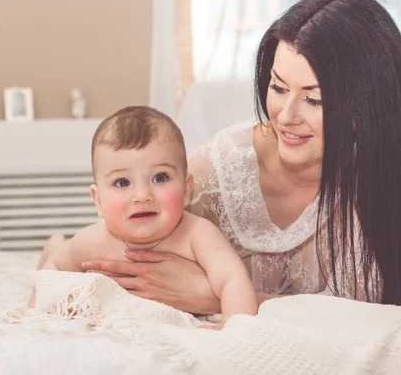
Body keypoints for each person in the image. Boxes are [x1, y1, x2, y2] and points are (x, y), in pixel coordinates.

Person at [79, 0, 401, 313]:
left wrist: (214, 296)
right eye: (277, 87)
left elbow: (367, 311)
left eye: (315, 99)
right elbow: (113, 245)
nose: (285, 116)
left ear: (369, 106)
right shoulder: (218, 174)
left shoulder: (382, 184)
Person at [31, 106, 258, 329]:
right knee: (58, 253)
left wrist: (233, 325)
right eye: (122, 182)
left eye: (160, 177)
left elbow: (233, 280)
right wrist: (34, 313)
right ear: (98, 201)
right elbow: (52, 273)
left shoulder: (198, 235)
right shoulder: (93, 241)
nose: (142, 196)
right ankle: (54, 244)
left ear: (187, 190)